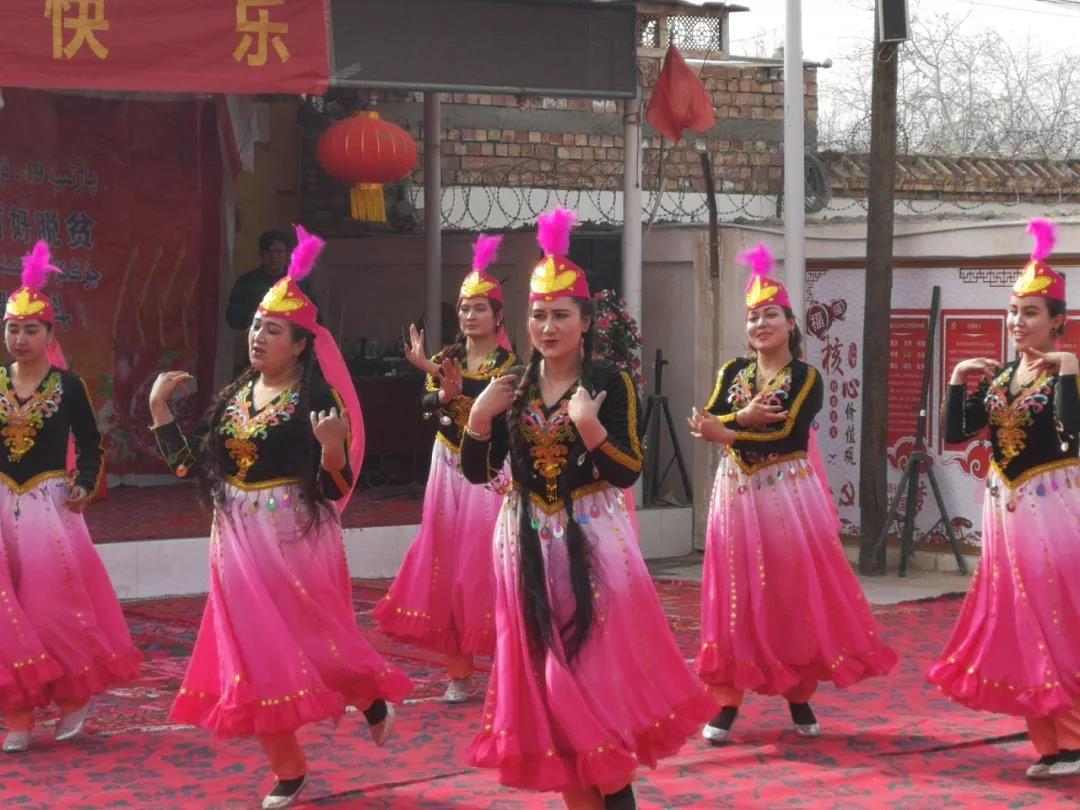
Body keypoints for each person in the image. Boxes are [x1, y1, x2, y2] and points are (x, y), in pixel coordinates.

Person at [149, 225, 412, 809]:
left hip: (295, 537)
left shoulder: (317, 401)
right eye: (255, 326)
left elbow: (333, 488)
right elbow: (190, 467)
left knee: (311, 641)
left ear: (298, 344)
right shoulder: (234, 398)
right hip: (233, 540)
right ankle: (288, 769)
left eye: (272, 329)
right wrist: (159, 410)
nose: (257, 336)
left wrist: (334, 449)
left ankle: (368, 698)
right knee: (252, 653)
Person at [460, 208, 714, 810]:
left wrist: (590, 428)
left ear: (587, 321)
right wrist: (478, 419)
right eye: (538, 315)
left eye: (560, 315)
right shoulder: (513, 385)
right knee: (548, 688)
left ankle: (615, 791)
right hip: (524, 542)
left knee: (591, 680)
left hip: (593, 543)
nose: (547, 327)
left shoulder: (611, 383)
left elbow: (627, 471)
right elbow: (479, 472)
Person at [689, 242, 896, 744]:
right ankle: (725, 702)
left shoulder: (806, 377)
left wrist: (728, 432)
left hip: (786, 493)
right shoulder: (732, 372)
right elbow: (706, 418)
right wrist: (739, 418)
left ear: (790, 324)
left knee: (791, 590)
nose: (760, 324)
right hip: (735, 492)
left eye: (770, 315)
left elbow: (789, 434)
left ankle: (798, 693)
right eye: (753, 317)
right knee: (732, 592)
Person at [929, 219, 1080, 780]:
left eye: (1030, 312)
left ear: (1058, 320)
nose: (1017, 322)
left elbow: (1072, 433)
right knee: (1025, 620)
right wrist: (955, 379)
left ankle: (1074, 738)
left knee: (1059, 618)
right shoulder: (1002, 377)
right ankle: (1052, 744)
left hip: (1054, 511)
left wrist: (1069, 370)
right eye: (1013, 312)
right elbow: (956, 434)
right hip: (1006, 513)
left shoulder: (1068, 374)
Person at [0, 241, 140, 753]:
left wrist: (84, 483)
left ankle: (73, 697)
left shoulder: (68, 386)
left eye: (30, 329)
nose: (20, 338)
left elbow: (92, 443)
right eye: (12, 328)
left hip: (49, 508)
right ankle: (17, 714)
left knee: (50, 609)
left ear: (50, 335)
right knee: (4, 613)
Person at [374, 234, 516, 703]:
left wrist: (452, 391)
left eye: (479, 308)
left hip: (487, 470)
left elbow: (501, 413)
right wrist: (440, 391)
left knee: (484, 564)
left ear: (498, 317)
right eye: (464, 308)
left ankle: (505, 666)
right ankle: (459, 670)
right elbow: (424, 407)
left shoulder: (509, 365)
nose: (470, 316)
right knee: (445, 561)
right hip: (446, 464)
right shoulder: (445, 360)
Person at [225, 229, 317, 331]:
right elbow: (233, 317)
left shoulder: (300, 283)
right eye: (268, 252)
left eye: (279, 252)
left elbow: (314, 318)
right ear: (261, 254)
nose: (274, 257)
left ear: (287, 254)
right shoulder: (246, 282)